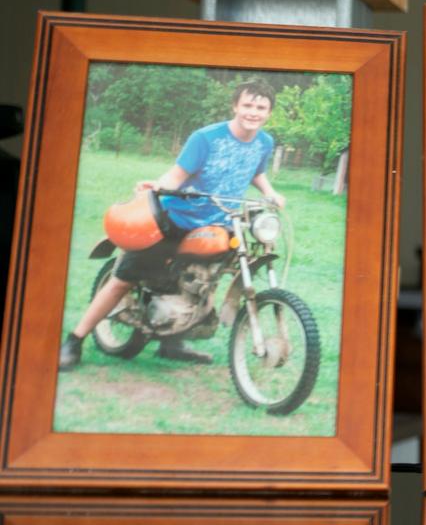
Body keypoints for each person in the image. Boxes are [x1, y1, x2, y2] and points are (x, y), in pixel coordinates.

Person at [59, 79, 286, 370]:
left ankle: (172, 343)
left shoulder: (264, 142)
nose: (253, 112)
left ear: (269, 112)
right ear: (235, 106)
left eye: (260, 107)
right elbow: (176, 176)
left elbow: (256, 172)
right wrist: (158, 186)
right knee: (122, 281)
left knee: (206, 279)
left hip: (220, 222)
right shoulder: (206, 138)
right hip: (176, 220)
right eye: (247, 105)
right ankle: (74, 341)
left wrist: (269, 192)